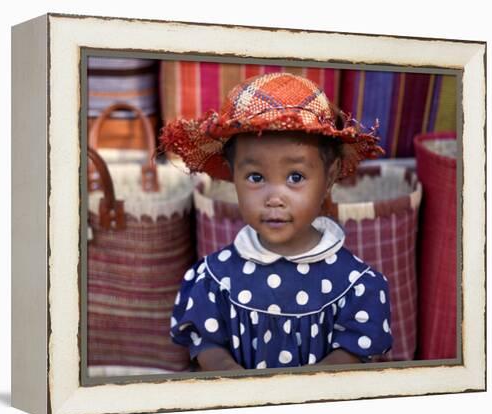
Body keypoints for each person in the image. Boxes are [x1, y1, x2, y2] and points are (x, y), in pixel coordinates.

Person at [158, 72, 392, 371]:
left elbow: (353, 352)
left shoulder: (355, 284)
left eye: (295, 177)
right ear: (233, 175)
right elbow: (206, 343)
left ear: (330, 176)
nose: (274, 198)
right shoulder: (215, 278)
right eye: (255, 177)